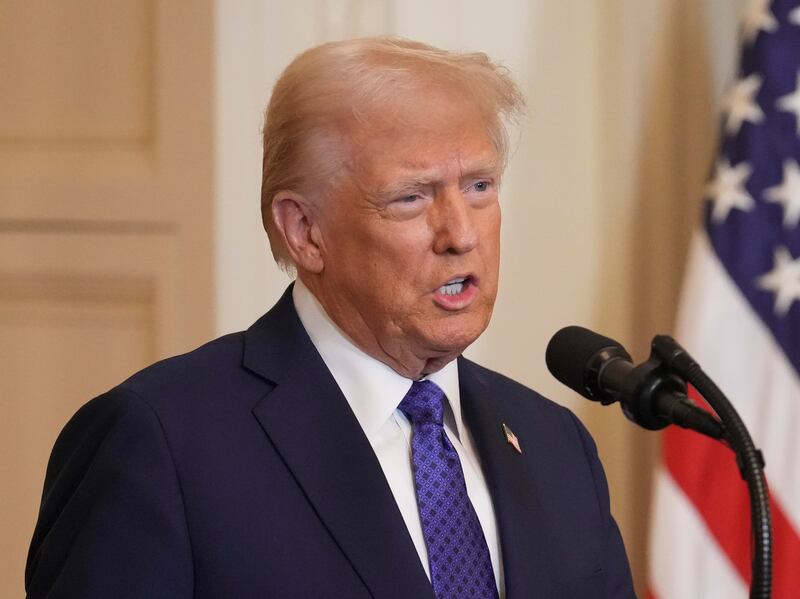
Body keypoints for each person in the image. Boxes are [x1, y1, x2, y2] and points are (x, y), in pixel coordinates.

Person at [25, 37, 636, 598]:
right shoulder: (161, 443)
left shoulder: (558, 447)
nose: (461, 234)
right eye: (411, 197)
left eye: (479, 187)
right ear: (305, 231)